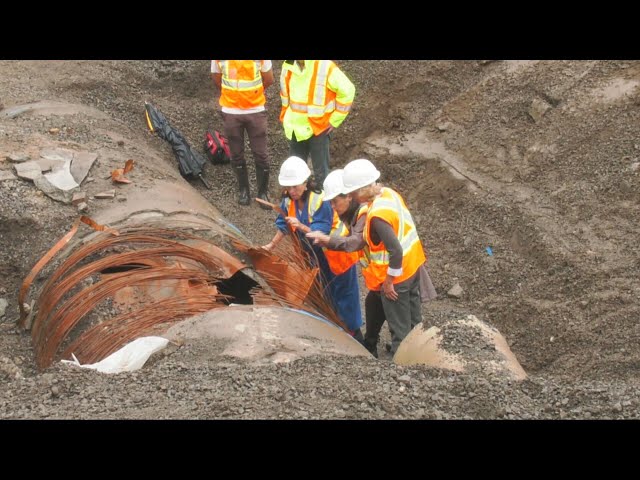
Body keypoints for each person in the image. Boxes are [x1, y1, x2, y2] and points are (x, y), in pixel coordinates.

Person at [317, 159, 435, 357]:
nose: (353, 196)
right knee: (414, 322)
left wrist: (389, 282)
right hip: (413, 265)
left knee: (400, 329)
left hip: (398, 275)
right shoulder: (388, 194)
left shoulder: (377, 216)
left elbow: (395, 251)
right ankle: (419, 355)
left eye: (353, 192)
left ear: (361, 189)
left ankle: (403, 365)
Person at [262, 158, 363, 341]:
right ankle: (334, 331)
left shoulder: (320, 201)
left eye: (295, 186)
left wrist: (300, 225)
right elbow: (283, 225)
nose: (291, 191)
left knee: (345, 296)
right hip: (316, 256)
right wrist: (271, 245)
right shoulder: (288, 200)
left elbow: (320, 234)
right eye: (288, 187)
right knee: (325, 293)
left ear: (306, 182)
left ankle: (355, 336)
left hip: (337, 254)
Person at [279, 60, 355, 186]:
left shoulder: (324, 66)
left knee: (321, 176)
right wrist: (285, 115)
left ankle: (323, 202)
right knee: (295, 175)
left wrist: (335, 119)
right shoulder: (288, 64)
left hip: (318, 128)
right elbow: (285, 93)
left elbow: (348, 91)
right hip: (296, 128)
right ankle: (298, 204)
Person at [211, 60, 274, 209]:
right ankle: (244, 191)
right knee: (236, 154)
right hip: (231, 111)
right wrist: (230, 95)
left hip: (255, 110)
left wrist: (252, 95)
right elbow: (215, 76)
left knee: (261, 154)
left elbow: (269, 79)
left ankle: (262, 193)